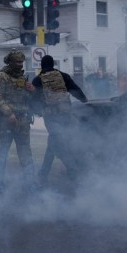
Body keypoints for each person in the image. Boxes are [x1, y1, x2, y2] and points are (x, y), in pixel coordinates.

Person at [32, 55, 88, 186]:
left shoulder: (38, 80)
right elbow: (75, 90)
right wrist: (84, 100)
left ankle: (50, 174)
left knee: (53, 144)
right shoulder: (63, 76)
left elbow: (33, 100)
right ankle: (71, 171)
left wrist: (39, 111)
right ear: (53, 64)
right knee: (61, 142)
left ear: (42, 65)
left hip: (51, 118)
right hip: (66, 115)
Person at [0, 49, 36, 194]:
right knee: (2, 153)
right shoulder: (0, 77)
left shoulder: (23, 78)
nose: (20, 64)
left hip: (23, 120)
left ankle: (30, 185)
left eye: (21, 62)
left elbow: (28, 99)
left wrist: (32, 91)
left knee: (25, 153)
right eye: (17, 62)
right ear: (10, 62)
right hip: (6, 121)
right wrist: (9, 113)